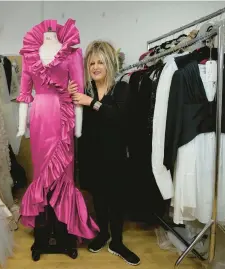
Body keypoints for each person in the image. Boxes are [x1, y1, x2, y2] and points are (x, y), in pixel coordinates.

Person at [68, 40, 140, 266]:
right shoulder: (86, 89)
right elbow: (76, 121)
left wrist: (91, 103)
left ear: (109, 64)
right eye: (91, 63)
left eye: (100, 62)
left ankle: (117, 241)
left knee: (116, 199)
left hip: (115, 156)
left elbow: (119, 117)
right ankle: (103, 234)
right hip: (92, 155)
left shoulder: (122, 88)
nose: (96, 67)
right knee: (98, 196)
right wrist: (73, 98)